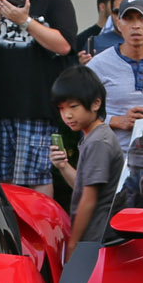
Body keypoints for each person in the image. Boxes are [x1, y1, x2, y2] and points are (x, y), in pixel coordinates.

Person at [0, 0, 79, 188]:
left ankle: (40, 216)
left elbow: (64, 45)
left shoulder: (57, 1)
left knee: (35, 178)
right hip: (1, 106)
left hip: (36, 107)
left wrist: (24, 21)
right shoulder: (9, 0)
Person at [86, 0, 143, 182]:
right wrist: (116, 121)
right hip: (110, 165)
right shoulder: (98, 65)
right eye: (128, 19)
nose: (135, 25)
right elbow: (78, 113)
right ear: (118, 24)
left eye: (141, 18)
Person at [47, 67, 120, 253]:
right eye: (61, 108)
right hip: (94, 237)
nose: (67, 115)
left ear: (96, 104)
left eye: (73, 106)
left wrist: (73, 244)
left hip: (95, 238)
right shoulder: (94, 137)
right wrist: (63, 165)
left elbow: (89, 199)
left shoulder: (98, 141)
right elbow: (82, 185)